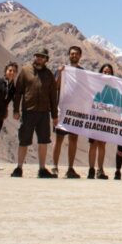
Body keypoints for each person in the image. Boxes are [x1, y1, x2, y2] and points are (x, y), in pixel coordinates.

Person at [10, 48, 58, 178]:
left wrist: (54, 116)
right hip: (28, 112)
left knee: (43, 141)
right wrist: (16, 110)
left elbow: (53, 96)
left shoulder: (49, 75)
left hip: (44, 113)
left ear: (46, 60)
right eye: (37, 56)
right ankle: (19, 168)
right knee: (24, 140)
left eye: (42, 57)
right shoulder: (25, 71)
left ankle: (42, 169)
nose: (39, 59)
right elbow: (18, 92)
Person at [52, 45, 84, 179]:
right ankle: (54, 167)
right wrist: (59, 73)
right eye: (72, 54)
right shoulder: (63, 70)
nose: (74, 56)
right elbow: (55, 86)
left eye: (76, 54)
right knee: (58, 139)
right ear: (69, 55)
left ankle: (70, 168)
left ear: (80, 56)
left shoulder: (83, 72)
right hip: (63, 110)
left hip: (76, 111)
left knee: (73, 139)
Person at [87, 63, 114, 180]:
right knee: (93, 144)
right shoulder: (95, 84)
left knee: (102, 144)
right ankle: (91, 169)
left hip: (106, 119)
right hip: (94, 117)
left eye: (108, 72)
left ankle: (100, 169)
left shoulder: (114, 86)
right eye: (104, 71)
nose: (106, 73)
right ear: (101, 72)